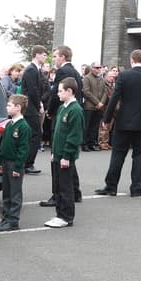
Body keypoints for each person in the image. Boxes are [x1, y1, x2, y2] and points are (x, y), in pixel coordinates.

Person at [97, 49, 141, 196]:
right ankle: (136, 188)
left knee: (118, 154)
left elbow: (114, 98)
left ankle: (111, 186)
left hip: (124, 120)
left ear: (132, 60)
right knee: (139, 156)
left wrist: (107, 119)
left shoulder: (124, 75)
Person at [44, 77, 83, 228]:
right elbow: (58, 134)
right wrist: (54, 152)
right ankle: (59, 214)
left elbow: (74, 136)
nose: (58, 94)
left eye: (61, 91)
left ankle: (66, 217)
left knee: (66, 187)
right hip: (58, 154)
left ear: (69, 91)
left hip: (65, 157)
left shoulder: (75, 110)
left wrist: (66, 155)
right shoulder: (62, 108)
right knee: (58, 187)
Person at [0, 94, 30, 231]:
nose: (7, 107)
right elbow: (3, 145)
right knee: (6, 192)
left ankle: (13, 220)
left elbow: (23, 149)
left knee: (15, 193)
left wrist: (17, 167)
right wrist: (0, 161)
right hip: (5, 162)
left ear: (18, 107)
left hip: (15, 164)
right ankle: (5, 218)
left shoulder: (23, 126)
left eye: (9, 105)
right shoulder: (10, 124)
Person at [20, 47, 48, 174]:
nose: (45, 57)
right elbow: (32, 90)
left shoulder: (35, 69)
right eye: (44, 55)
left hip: (31, 106)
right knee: (35, 135)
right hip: (30, 107)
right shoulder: (31, 69)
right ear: (36, 55)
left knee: (32, 134)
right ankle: (28, 163)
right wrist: (39, 105)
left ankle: (26, 163)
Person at [81, 60, 109, 152]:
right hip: (89, 106)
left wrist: (101, 103)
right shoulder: (87, 78)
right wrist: (97, 102)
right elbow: (86, 92)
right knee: (87, 126)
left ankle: (92, 143)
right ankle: (84, 144)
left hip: (99, 107)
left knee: (95, 126)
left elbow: (105, 92)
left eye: (100, 67)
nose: (99, 69)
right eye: (97, 68)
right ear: (92, 68)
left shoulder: (102, 79)